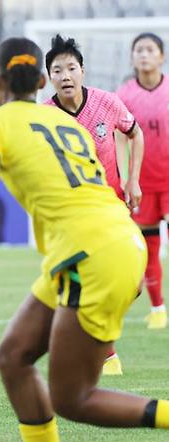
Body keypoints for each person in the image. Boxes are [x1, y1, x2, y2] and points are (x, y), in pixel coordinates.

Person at [0, 37, 169, 442]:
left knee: (73, 398)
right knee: (12, 356)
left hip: (88, 253)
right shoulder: (66, 124)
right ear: (43, 81)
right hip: (115, 237)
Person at [44, 34, 145, 375]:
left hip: (114, 206)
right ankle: (106, 355)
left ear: (83, 71)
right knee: (95, 280)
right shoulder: (43, 117)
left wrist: (132, 179)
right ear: (49, 77)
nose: (66, 75)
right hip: (76, 215)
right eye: (58, 70)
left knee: (134, 285)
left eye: (71, 67)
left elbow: (135, 133)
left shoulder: (107, 103)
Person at [117, 33, 168, 330]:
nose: (144, 55)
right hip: (143, 185)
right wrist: (126, 177)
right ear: (132, 57)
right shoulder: (124, 95)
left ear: (161, 56)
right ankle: (158, 309)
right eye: (139, 50)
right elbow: (120, 137)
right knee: (148, 247)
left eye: (150, 50)